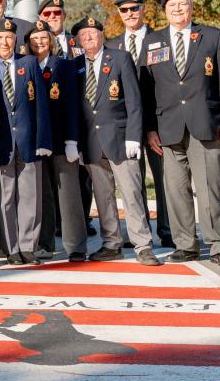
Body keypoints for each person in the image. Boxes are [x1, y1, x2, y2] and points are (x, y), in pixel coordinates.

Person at [140, 0, 220, 267]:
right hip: (167, 127)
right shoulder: (153, 41)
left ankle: (219, 246)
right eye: (172, 6)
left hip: (206, 125)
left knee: (210, 189)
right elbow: (146, 90)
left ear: (191, 7)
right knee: (176, 190)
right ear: (165, 11)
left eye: (183, 5)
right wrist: (149, 129)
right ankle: (186, 245)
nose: (178, 9)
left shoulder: (211, 36)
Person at [73, 17, 160, 266]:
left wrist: (134, 136)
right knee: (103, 197)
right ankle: (112, 243)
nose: (88, 37)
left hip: (121, 139)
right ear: (78, 40)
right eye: (83, 34)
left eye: (93, 32)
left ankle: (143, 245)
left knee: (131, 193)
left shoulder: (120, 59)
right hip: (91, 142)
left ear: (102, 35)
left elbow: (134, 101)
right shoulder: (76, 65)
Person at [107, 0, 173, 249]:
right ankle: (139, 229)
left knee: (164, 178)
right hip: (127, 125)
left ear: (143, 9)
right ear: (119, 14)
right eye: (124, 10)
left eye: (134, 8)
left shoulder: (161, 40)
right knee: (133, 182)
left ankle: (168, 230)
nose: (130, 14)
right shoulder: (112, 45)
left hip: (158, 121)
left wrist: (153, 126)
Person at [0, 19, 52, 265]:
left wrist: (43, 139)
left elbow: (41, 105)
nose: (5, 42)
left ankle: (28, 246)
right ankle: (11, 248)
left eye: (9, 37)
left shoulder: (28, 63)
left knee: (29, 197)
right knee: (4, 198)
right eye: (0, 38)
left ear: (16, 40)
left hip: (28, 140)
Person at [26, 20, 87, 262]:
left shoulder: (64, 66)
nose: (39, 42)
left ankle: (76, 246)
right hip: (37, 141)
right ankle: (45, 243)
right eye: (34, 39)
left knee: (68, 194)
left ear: (51, 41)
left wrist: (73, 139)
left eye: (44, 38)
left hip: (62, 139)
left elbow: (73, 106)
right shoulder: (25, 66)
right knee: (43, 196)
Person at [39, 0, 94, 237]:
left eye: (57, 13)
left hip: (81, 114)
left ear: (64, 15)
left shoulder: (78, 41)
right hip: (51, 118)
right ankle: (59, 222)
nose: (53, 17)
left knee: (83, 173)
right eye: (48, 14)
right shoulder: (35, 44)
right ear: (41, 16)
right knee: (54, 175)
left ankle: (82, 218)